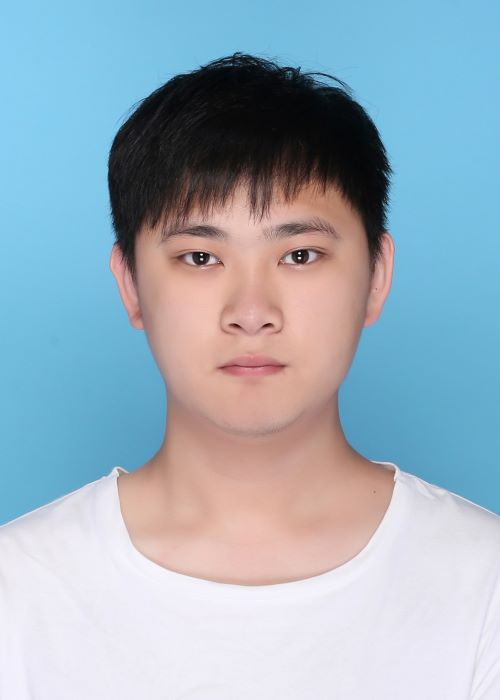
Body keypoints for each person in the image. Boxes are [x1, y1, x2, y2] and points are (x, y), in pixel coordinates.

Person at [1, 52, 499, 699]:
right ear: (130, 284)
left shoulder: (483, 583)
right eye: (200, 257)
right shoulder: (21, 587)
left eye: (300, 255)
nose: (252, 311)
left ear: (376, 277)